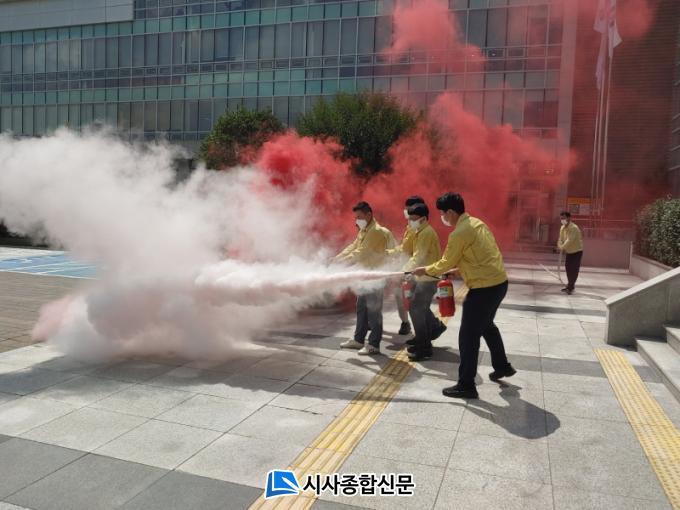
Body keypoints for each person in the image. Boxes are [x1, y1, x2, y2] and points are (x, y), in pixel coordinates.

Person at [413, 192, 515, 399]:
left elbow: (444, 262)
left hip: (484, 289)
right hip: (499, 283)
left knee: (468, 336)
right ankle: (502, 366)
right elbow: (482, 255)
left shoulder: (459, 233)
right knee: (487, 326)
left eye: (443, 213)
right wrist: (459, 270)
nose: (442, 217)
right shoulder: (477, 223)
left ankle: (466, 384)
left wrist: (425, 270)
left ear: (451, 212)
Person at [334, 201, 390, 355]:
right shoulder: (365, 230)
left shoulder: (375, 231)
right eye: (356, 217)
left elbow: (361, 252)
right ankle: (359, 340)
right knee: (361, 308)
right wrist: (338, 258)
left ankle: (374, 344)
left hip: (375, 277)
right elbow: (353, 246)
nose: (356, 221)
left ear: (369, 214)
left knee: (374, 311)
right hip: (365, 276)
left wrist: (342, 262)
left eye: (359, 217)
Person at [399, 202, 447, 361]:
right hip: (423, 277)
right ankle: (427, 335)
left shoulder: (426, 233)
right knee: (419, 308)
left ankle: (425, 348)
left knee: (416, 309)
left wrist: (404, 270)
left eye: (413, 219)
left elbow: (418, 256)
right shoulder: (420, 231)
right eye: (410, 218)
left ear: (423, 218)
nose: (410, 221)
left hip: (428, 279)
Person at [390, 195, 427, 336]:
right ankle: (407, 324)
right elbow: (404, 248)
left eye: (409, 209)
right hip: (407, 269)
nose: (406, 211)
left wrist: (403, 270)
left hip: (414, 271)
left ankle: (429, 329)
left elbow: (413, 253)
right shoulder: (411, 226)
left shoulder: (419, 230)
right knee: (403, 298)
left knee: (413, 302)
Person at [557, 211, 583, 295]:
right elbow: (561, 239)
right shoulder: (562, 228)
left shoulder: (573, 228)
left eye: (564, 218)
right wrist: (559, 245)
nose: (562, 220)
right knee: (568, 268)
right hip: (569, 252)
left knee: (573, 269)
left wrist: (562, 247)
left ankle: (571, 287)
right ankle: (570, 285)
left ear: (569, 218)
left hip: (576, 251)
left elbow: (569, 240)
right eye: (561, 218)